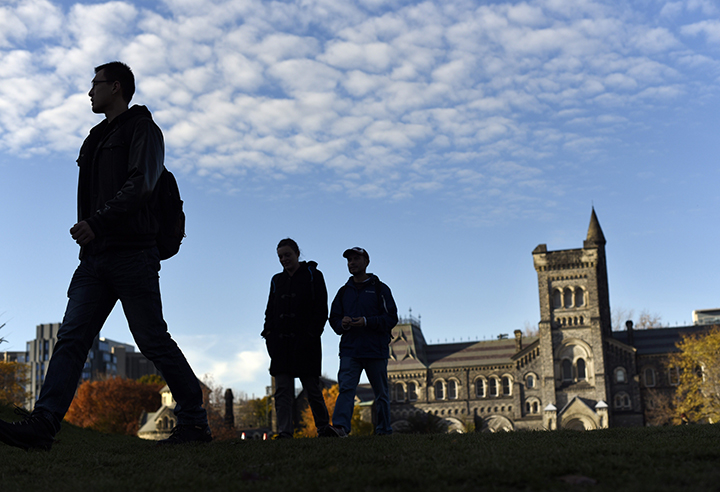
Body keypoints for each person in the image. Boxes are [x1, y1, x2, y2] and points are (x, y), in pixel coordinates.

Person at [0, 62, 210, 450]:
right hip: (95, 259)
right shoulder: (95, 138)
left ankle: (195, 422)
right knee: (71, 339)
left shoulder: (143, 129)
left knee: (152, 341)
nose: (89, 91)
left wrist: (98, 221)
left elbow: (143, 183)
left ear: (116, 87)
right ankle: (43, 424)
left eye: (95, 84)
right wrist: (92, 233)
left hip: (133, 254)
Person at [262, 239, 337, 438]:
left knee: (312, 389)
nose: (284, 259)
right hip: (280, 343)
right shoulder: (276, 280)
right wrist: (269, 334)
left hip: (307, 342)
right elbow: (270, 310)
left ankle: (323, 428)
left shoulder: (314, 275)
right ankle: (285, 432)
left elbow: (322, 308)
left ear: (297, 253)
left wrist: (312, 334)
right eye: (280, 256)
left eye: (287, 255)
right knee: (282, 391)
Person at [330, 247, 398, 436]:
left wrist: (367, 322)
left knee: (381, 393)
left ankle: (384, 430)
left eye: (356, 259)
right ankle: (340, 428)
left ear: (367, 261)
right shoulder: (343, 292)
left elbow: (391, 318)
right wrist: (342, 324)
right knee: (346, 389)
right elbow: (333, 319)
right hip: (350, 350)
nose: (352, 262)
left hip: (375, 350)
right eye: (349, 260)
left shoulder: (380, 289)